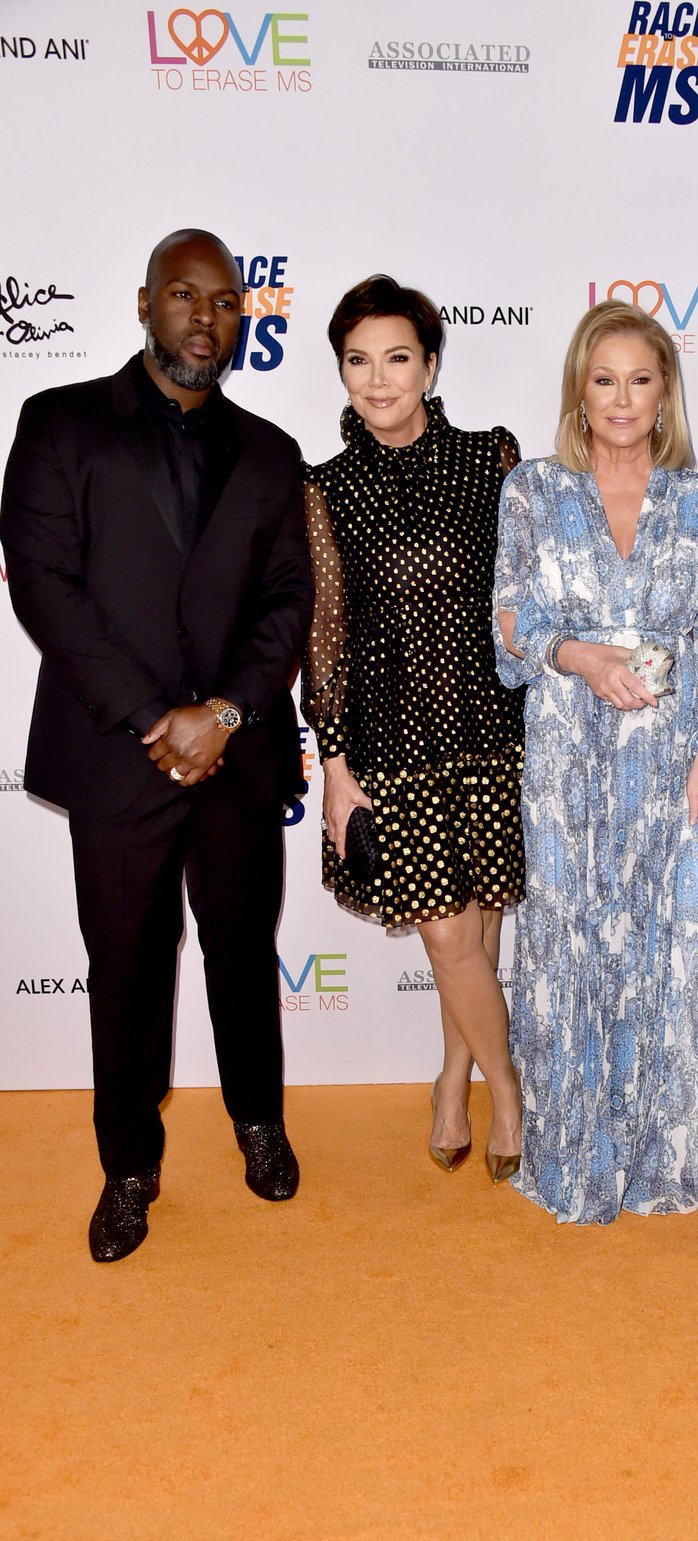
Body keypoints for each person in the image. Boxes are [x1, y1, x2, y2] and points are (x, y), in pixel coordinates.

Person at [0, 229, 313, 1262]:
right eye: (185, 295)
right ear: (145, 303)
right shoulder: (58, 423)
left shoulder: (270, 453)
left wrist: (220, 713)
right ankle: (127, 1165)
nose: (205, 317)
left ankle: (257, 1120)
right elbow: (46, 586)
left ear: (242, 316)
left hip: (236, 756)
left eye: (225, 301)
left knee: (239, 951)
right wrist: (154, 716)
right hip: (116, 753)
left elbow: (285, 606)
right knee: (126, 967)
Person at [493, 300, 698, 1224]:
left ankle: (668, 1158)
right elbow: (510, 627)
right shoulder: (532, 489)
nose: (621, 397)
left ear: (664, 392)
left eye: (640, 379)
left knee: (670, 945)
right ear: (579, 387)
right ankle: (576, 1156)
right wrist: (585, 657)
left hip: (666, 749)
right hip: (566, 749)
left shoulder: (697, 499)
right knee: (571, 945)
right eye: (603, 378)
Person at [301, 274, 525, 1182]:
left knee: (477, 927)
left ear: (431, 366)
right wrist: (335, 761)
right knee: (447, 934)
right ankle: (506, 1088)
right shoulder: (324, 486)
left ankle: (450, 1077)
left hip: (491, 728)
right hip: (390, 744)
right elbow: (326, 631)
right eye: (359, 360)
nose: (379, 379)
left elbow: (526, 597)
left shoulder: (492, 459)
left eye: (398, 358)